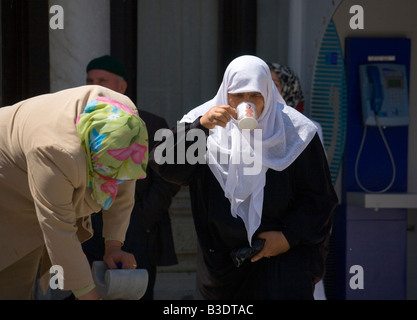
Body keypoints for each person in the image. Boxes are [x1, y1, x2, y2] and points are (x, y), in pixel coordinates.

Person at [149, 55, 338, 299]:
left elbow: (320, 200)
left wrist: (287, 238)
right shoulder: (203, 122)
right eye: (238, 95)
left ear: (267, 95)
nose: (246, 103)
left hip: (283, 264)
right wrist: (201, 127)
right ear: (226, 93)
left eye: (255, 95)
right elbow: (164, 165)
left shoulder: (295, 132)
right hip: (222, 267)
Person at [0, 85, 148, 300]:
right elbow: (59, 229)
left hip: (32, 197)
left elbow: (124, 183)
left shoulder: (125, 121)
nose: (114, 180)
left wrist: (114, 245)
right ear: (89, 153)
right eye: (106, 173)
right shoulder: (54, 150)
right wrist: (89, 296)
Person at [82, 55, 180, 300]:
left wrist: (141, 219)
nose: (95, 87)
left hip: (137, 230)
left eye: (102, 80)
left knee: (136, 295)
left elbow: (167, 180)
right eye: (90, 81)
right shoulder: (80, 125)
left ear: (121, 87)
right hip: (89, 231)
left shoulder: (152, 125)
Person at [268, 62, 324, 144]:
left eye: (275, 84)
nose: (269, 88)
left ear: (289, 88)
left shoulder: (309, 128)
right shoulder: (252, 125)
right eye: (265, 83)